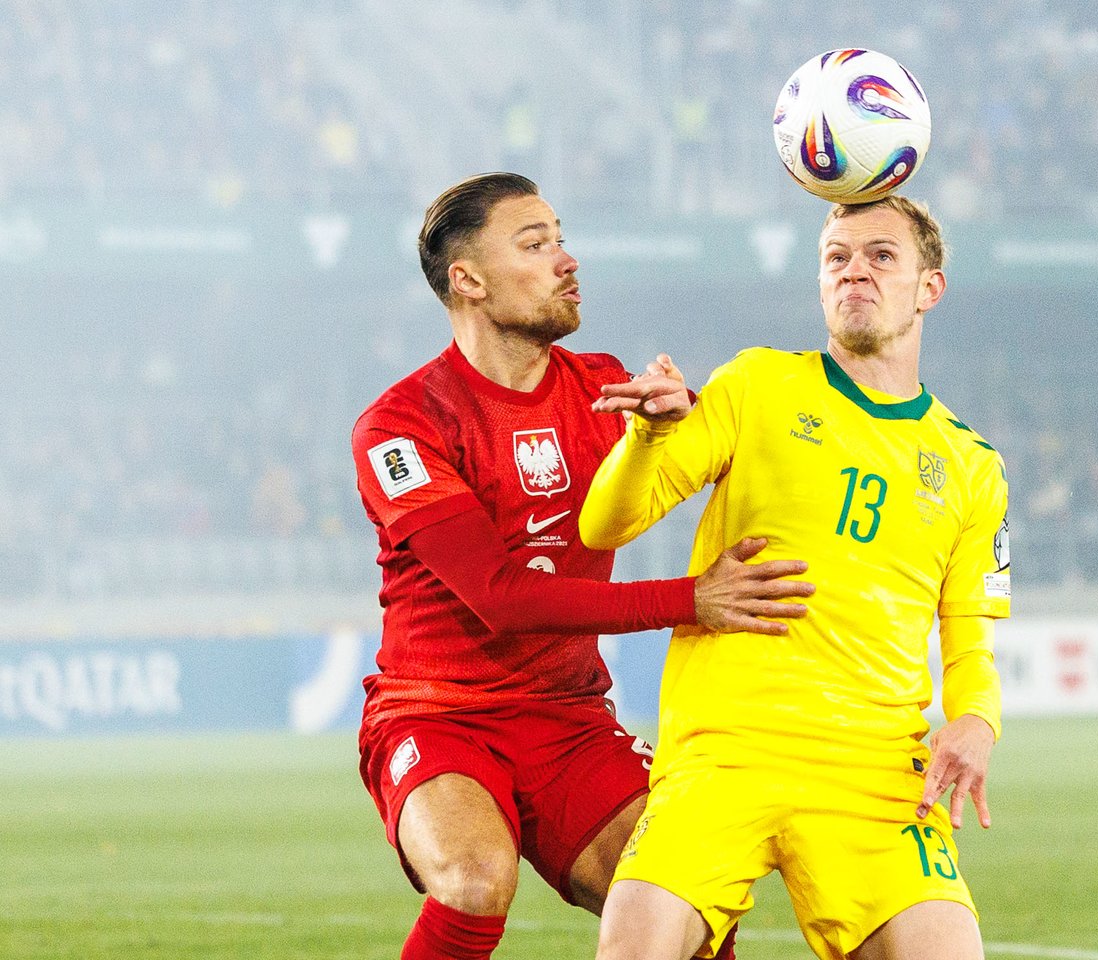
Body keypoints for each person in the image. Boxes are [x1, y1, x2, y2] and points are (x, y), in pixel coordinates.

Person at [350, 172, 814, 960]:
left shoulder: (604, 388)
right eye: (535, 245)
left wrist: (679, 428)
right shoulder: (401, 425)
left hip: (567, 717)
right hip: (439, 712)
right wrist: (691, 599)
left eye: (561, 240)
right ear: (468, 280)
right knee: (474, 879)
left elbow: (728, 460)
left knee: (684, 904)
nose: (567, 261)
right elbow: (500, 597)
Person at [579, 195, 1010, 960]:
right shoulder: (757, 385)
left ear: (930, 288)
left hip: (874, 772)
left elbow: (970, 639)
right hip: (724, 752)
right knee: (632, 944)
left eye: (881, 256)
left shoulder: (973, 467)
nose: (855, 272)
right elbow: (604, 526)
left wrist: (977, 720)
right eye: (837, 257)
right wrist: (647, 435)